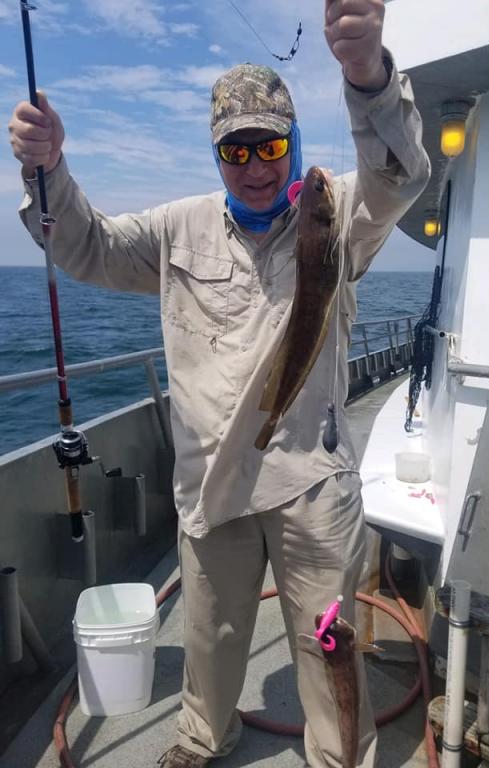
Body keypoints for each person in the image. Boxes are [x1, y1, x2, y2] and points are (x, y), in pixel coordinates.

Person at [9, 2, 429, 766]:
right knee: (209, 638)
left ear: (293, 143)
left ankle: (341, 756)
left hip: (310, 483)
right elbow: (84, 246)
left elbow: (400, 174)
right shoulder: (178, 227)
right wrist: (49, 170)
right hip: (212, 483)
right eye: (236, 152)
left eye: (271, 146)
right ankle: (204, 735)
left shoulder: (337, 214)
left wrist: (368, 77)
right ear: (215, 156)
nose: (258, 167)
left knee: (328, 642)